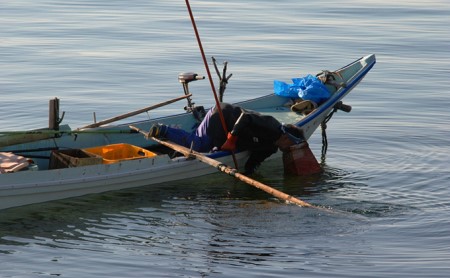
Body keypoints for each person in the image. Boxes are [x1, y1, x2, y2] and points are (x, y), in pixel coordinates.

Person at [149, 102, 303, 174]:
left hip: (228, 131)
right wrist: (232, 138)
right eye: (291, 143)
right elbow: (246, 117)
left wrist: (248, 175)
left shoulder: (270, 148)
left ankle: (198, 133)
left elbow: (254, 162)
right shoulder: (270, 124)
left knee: (210, 148)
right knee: (199, 146)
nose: (289, 147)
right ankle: (164, 129)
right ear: (285, 136)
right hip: (222, 116)